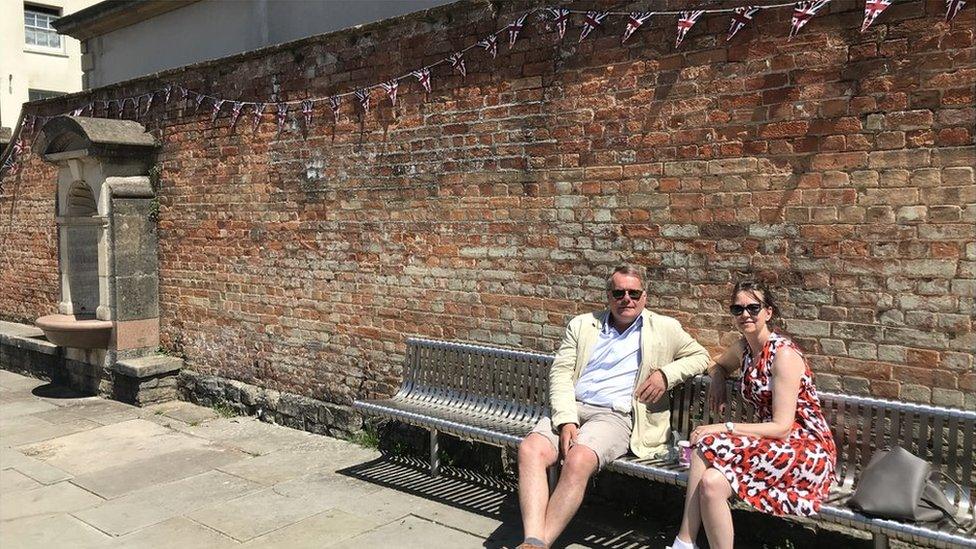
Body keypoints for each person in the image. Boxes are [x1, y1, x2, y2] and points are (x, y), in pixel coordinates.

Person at [516, 264, 711, 549]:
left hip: (615, 416)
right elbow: (560, 373)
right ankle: (534, 541)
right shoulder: (583, 325)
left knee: (578, 459)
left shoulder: (664, 328)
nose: (626, 299)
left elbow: (700, 355)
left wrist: (665, 375)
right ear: (608, 295)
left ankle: (536, 545)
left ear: (645, 296)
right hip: (574, 408)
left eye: (634, 293)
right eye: (619, 292)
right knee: (530, 449)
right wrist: (567, 419)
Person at [669, 280, 837, 549]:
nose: (745, 314)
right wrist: (719, 377)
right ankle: (685, 542)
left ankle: (684, 541)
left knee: (706, 441)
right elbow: (717, 365)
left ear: (768, 312)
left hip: (804, 448)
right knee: (711, 484)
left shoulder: (783, 355)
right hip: (770, 444)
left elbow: (783, 426)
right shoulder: (744, 349)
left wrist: (723, 427)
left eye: (753, 308)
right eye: (738, 309)